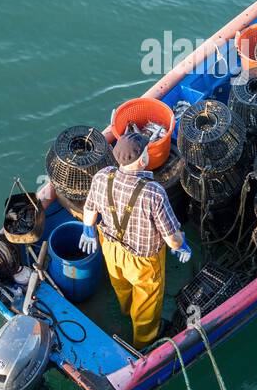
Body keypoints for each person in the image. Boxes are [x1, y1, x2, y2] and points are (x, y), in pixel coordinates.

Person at [80, 132, 191, 349]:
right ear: (142, 160)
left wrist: (87, 231)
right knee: (147, 304)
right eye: (147, 151)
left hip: (110, 248)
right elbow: (171, 238)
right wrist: (182, 245)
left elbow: (89, 209)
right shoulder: (154, 193)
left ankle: (125, 308)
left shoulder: (102, 176)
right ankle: (144, 342)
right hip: (143, 262)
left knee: (120, 284)